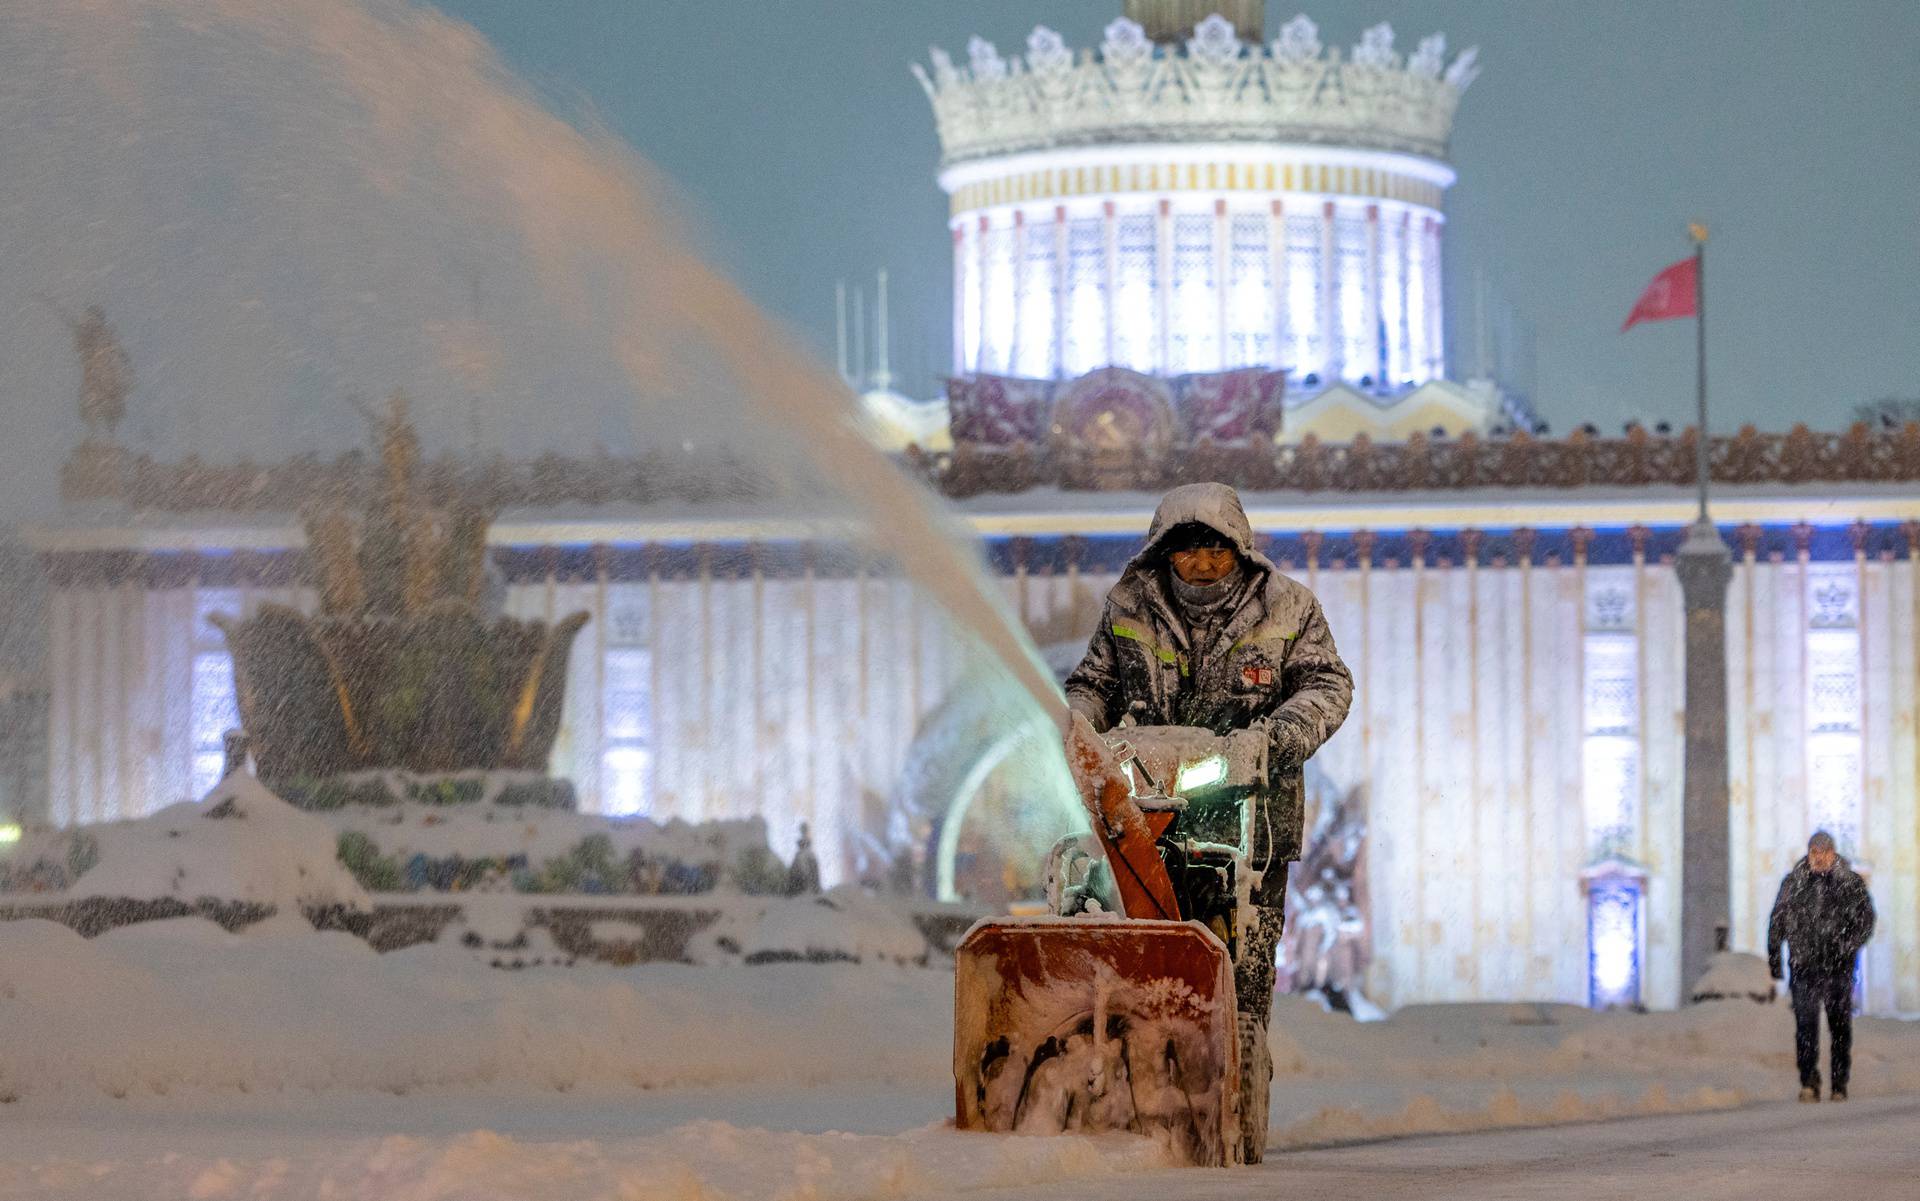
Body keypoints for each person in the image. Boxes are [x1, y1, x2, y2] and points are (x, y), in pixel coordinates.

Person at [1064, 481, 1352, 1158]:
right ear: (1163, 552)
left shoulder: (1287, 609)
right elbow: (1094, 682)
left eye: (1214, 548)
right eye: (1186, 549)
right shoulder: (1129, 607)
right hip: (1147, 804)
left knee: (1241, 963)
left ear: (1239, 550)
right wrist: (1078, 724)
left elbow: (1329, 685)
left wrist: (1273, 739)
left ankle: (1239, 1080)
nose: (1200, 562)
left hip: (1251, 811)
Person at [1767, 830, 1876, 1102]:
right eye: (1814, 852)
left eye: (1823, 852)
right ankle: (1808, 1080)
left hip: (1837, 967)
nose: (1818, 858)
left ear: (1832, 852)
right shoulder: (1794, 883)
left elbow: (1865, 919)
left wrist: (1847, 945)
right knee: (1806, 1027)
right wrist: (1775, 961)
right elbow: (1777, 921)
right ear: (1809, 853)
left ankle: (1839, 1083)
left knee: (1839, 1027)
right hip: (1804, 966)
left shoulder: (1849, 884)